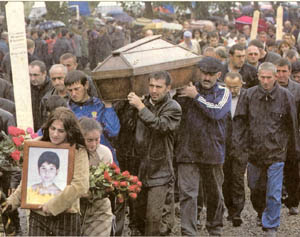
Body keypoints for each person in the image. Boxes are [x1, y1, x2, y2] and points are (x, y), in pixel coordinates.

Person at [232, 62, 300, 236]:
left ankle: (271, 224)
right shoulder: (248, 95)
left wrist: (293, 150)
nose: (265, 81)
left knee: (274, 192)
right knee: (255, 188)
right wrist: (239, 147)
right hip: (254, 152)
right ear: (258, 77)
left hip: (277, 152)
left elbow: (291, 125)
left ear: (276, 76)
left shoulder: (286, 97)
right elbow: (240, 123)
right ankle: (261, 212)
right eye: (262, 77)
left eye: (269, 77)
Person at [4, 107, 90, 236]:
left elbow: (80, 185)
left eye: (61, 131)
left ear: (69, 131)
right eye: (53, 128)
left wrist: (53, 205)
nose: (55, 134)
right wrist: (11, 202)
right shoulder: (36, 146)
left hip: (67, 217)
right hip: (38, 216)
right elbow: (27, 182)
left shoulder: (78, 151)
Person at [175, 57, 231, 236]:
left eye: (211, 74)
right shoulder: (187, 89)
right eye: (204, 73)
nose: (206, 78)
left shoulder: (224, 92)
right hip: (187, 151)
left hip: (212, 151)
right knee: (188, 194)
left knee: (214, 194)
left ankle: (215, 229)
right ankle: (188, 232)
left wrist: (196, 97)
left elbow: (216, 112)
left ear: (219, 75)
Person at [127, 71, 182, 236]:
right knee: (139, 216)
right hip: (140, 169)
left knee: (154, 219)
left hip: (160, 170)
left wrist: (140, 107)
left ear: (168, 88)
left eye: (159, 86)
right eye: (151, 85)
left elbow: (161, 126)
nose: (154, 90)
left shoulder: (173, 107)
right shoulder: (143, 103)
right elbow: (129, 127)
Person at [65, 70, 120, 164]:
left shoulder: (99, 105)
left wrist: (108, 106)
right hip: (79, 159)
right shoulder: (66, 110)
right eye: (70, 90)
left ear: (86, 85)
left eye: (77, 89)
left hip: (103, 158)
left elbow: (113, 131)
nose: (73, 94)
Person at [79, 117, 113, 236]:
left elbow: (108, 181)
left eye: (97, 140)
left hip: (99, 207)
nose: (93, 144)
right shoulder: (72, 152)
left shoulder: (105, 152)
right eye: (89, 140)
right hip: (76, 206)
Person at [274, 58, 300, 215]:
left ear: (290, 72)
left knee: (293, 169)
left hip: (292, 134)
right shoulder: (270, 87)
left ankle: (293, 201)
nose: (281, 75)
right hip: (274, 134)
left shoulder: (297, 89)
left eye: (284, 71)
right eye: (278, 71)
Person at [222, 72, 247, 227]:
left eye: (235, 87)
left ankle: (237, 212)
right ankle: (230, 209)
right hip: (224, 146)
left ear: (242, 84)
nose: (232, 91)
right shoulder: (221, 97)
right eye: (229, 87)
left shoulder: (247, 98)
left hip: (241, 146)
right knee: (226, 180)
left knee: (237, 179)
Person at [29, 60, 53, 131]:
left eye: (36, 75)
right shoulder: (27, 88)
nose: (32, 78)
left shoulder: (52, 87)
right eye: (30, 75)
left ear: (44, 73)